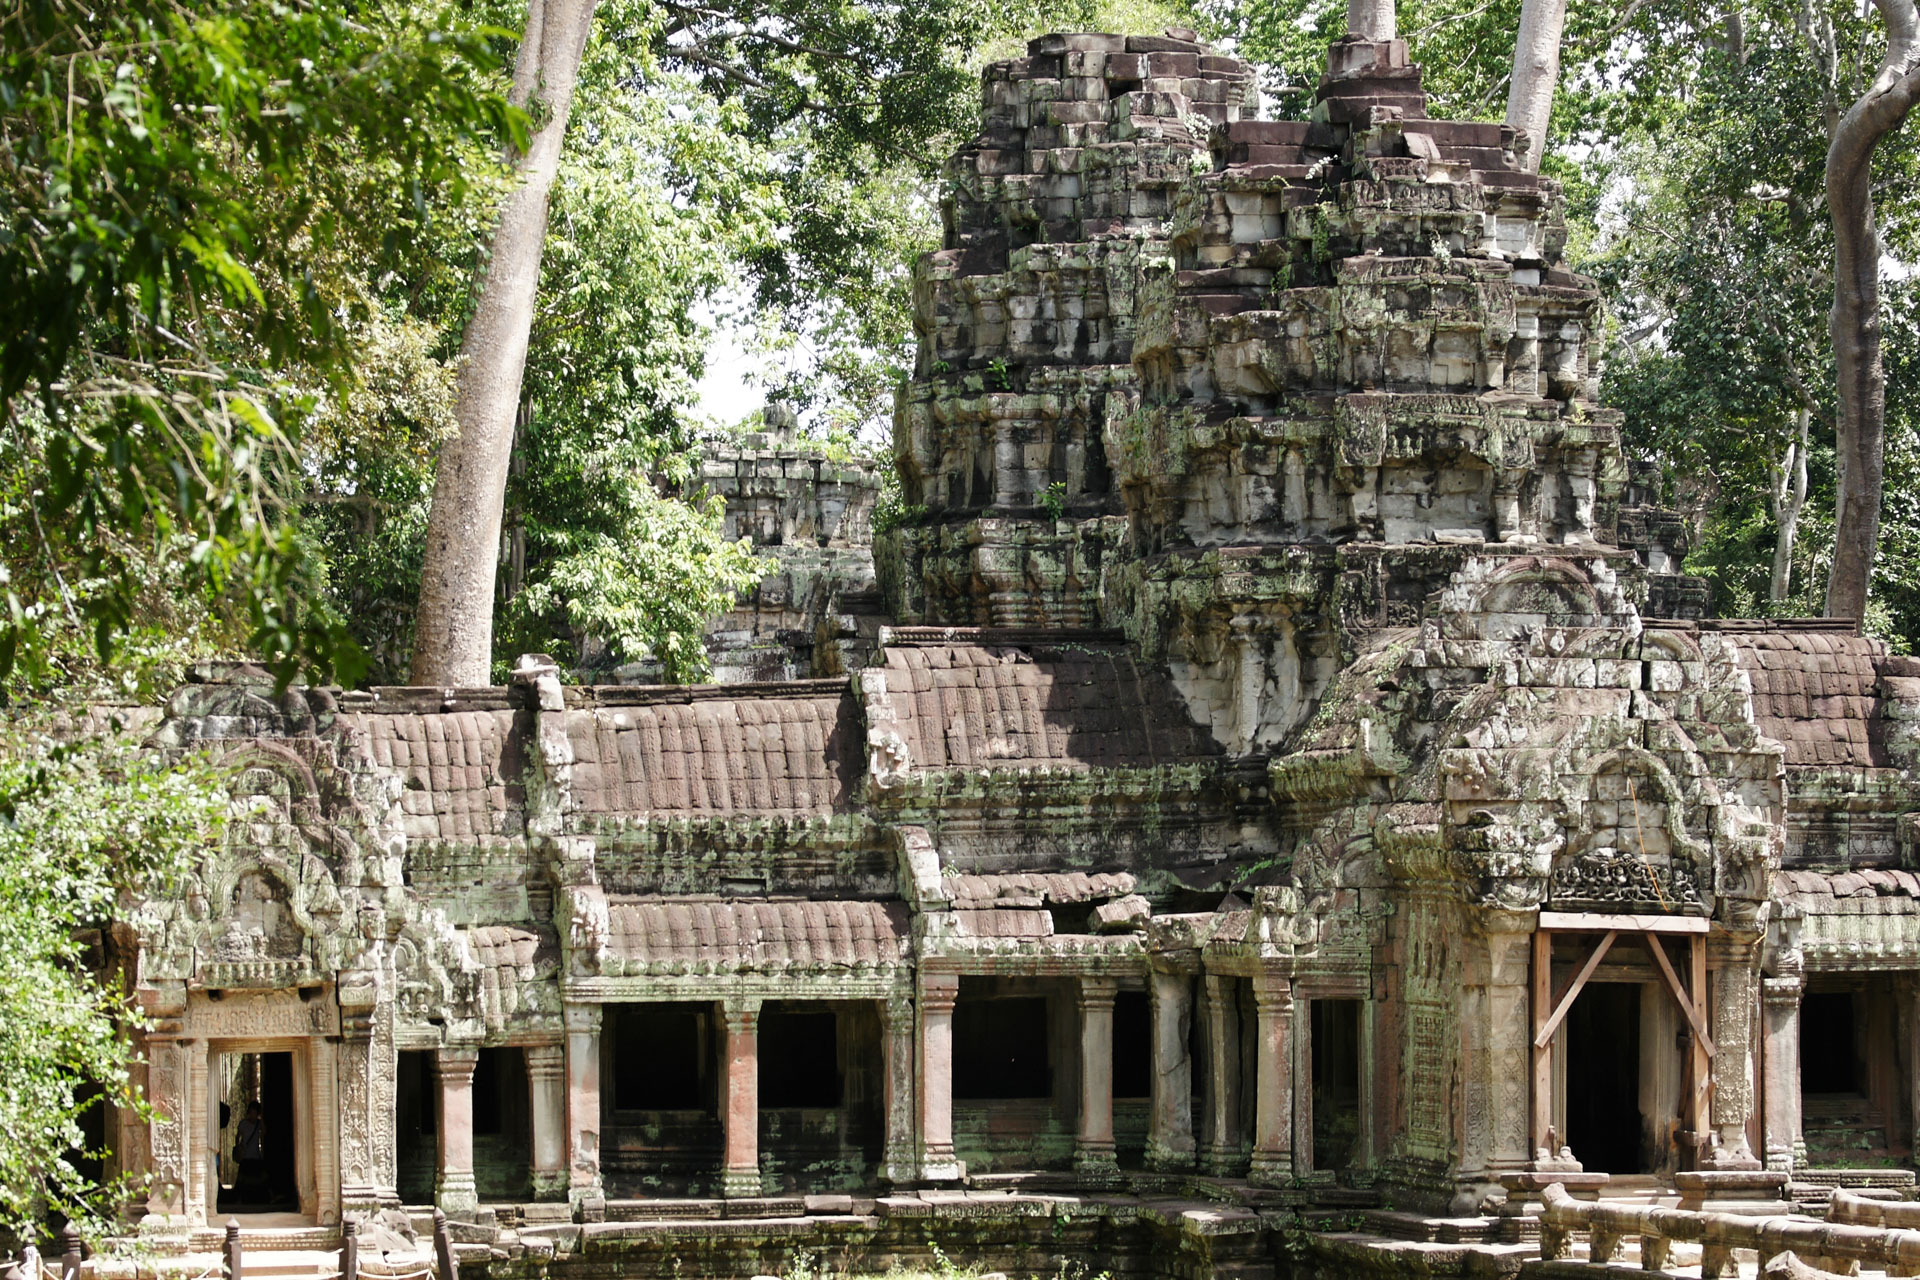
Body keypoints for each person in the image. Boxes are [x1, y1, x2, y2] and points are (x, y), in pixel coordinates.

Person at [235, 1102, 266, 1200]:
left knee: (257, 1179)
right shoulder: (243, 1123)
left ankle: (256, 1198)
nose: (253, 1115)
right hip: (245, 1156)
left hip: (255, 1155)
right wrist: (238, 1147)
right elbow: (238, 1136)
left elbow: (264, 1133)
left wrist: (261, 1121)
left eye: (255, 1113)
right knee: (242, 1180)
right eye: (251, 1112)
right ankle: (241, 1198)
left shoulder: (258, 1124)